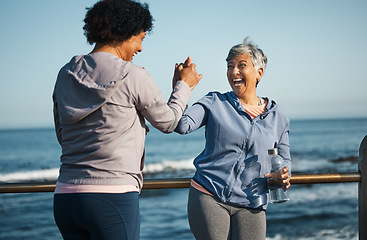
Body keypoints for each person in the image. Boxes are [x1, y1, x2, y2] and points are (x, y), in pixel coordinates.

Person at [52, 0, 202, 239]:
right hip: (112, 196)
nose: (140, 48)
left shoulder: (65, 74)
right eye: (140, 38)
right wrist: (183, 86)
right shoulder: (132, 74)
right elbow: (168, 122)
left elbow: (63, 134)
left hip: (65, 197)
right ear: (125, 32)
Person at [174, 37, 291, 240]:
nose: (233, 72)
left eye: (241, 66)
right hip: (209, 195)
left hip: (253, 202)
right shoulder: (214, 102)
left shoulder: (277, 116)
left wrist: (283, 175)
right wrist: (180, 86)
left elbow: (285, 159)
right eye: (230, 66)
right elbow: (181, 125)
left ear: (259, 73)